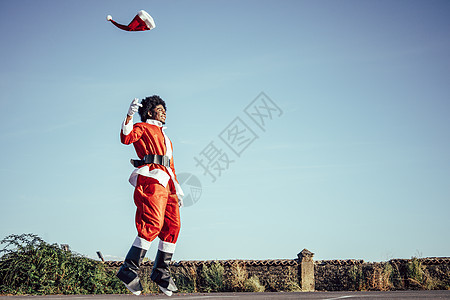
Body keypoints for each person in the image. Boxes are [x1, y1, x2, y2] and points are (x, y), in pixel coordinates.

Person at [116, 96, 184, 297]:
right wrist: (129, 115)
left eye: (165, 109)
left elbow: (171, 165)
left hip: (168, 182)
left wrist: (177, 190)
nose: (164, 112)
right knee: (152, 223)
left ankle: (161, 271)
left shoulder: (167, 138)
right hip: (151, 178)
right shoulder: (142, 127)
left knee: (173, 226)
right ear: (149, 112)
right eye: (160, 109)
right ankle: (128, 269)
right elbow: (126, 137)